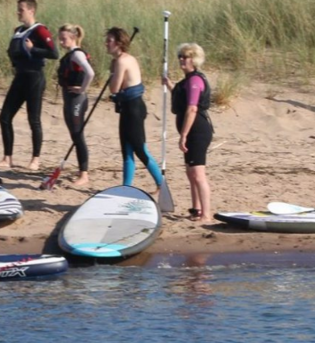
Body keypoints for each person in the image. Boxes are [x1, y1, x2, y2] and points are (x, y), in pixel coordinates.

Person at [0, 0, 57, 172]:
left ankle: (35, 159)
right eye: (18, 9)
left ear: (31, 11)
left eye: (21, 9)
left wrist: (33, 50)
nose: (18, 12)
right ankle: (7, 158)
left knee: (33, 119)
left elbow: (54, 53)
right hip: (20, 77)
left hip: (35, 78)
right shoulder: (18, 31)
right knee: (4, 117)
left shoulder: (40, 30)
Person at [105, 27, 162, 190]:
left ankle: (161, 183)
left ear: (118, 43)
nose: (106, 44)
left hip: (134, 109)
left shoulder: (122, 61)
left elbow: (114, 89)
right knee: (126, 150)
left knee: (139, 149)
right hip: (127, 108)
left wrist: (113, 71)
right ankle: (126, 187)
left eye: (109, 41)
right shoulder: (121, 60)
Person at [164, 43, 215, 222]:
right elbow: (182, 99)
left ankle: (206, 214)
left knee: (198, 174)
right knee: (190, 172)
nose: (181, 60)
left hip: (198, 132)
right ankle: (196, 209)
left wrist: (183, 135)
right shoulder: (187, 81)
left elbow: (192, 108)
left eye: (185, 57)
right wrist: (169, 85)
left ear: (194, 60)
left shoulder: (195, 80)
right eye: (180, 56)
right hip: (191, 131)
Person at [56, 23, 95, 188]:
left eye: (64, 39)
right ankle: (82, 171)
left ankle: (84, 174)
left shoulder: (76, 55)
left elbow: (90, 73)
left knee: (78, 135)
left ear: (73, 38)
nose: (61, 42)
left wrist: (82, 90)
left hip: (76, 100)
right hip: (70, 99)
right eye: (60, 38)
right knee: (75, 134)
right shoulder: (71, 55)